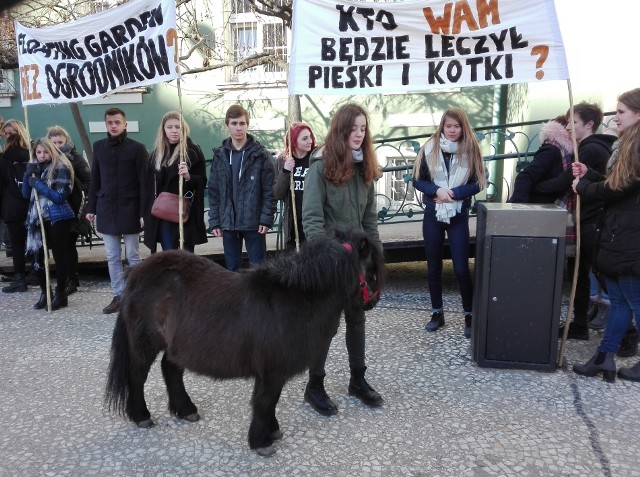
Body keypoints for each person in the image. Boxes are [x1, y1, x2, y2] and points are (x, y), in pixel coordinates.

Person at [302, 102, 383, 415]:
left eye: (363, 129)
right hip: (331, 262)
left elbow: (371, 220)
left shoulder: (365, 169)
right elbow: (311, 220)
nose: (359, 134)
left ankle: (357, 381)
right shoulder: (320, 168)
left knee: (357, 320)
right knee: (327, 325)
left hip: (358, 263)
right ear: (340, 130)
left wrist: (375, 262)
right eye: (353, 128)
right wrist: (331, 258)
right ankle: (315, 385)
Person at [529, 103, 616, 340]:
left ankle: (627, 332)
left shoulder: (589, 150)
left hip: (590, 220)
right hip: (587, 218)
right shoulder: (587, 147)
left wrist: (533, 185)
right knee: (579, 273)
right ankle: (579, 325)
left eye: (573, 122)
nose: (568, 127)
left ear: (589, 124)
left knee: (600, 276)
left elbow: (564, 182)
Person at [571, 87, 640, 382]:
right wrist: (589, 174)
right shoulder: (627, 145)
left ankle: (605, 357)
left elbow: (617, 189)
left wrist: (583, 187)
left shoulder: (637, 148)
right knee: (623, 303)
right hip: (620, 234)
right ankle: (604, 358)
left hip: (631, 237)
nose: (616, 117)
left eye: (622, 112)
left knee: (634, 302)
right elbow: (617, 183)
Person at [412, 108, 486, 338]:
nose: (452, 130)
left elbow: (478, 183)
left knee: (462, 268)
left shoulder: (471, 149)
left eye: (457, 126)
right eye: (448, 126)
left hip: (458, 214)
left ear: (463, 127)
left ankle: (469, 315)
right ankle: (437, 313)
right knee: (433, 267)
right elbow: (418, 180)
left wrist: (452, 193)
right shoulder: (430, 148)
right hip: (433, 214)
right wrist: (436, 190)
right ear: (442, 127)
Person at [86, 108, 148, 314]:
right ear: (106, 125)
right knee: (112, 256)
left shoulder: (137, 149)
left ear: (125, 124)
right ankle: (118, 295)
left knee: (133, 256)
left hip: (130, 208)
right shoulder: (99, 147)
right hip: (107, 209)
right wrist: (91, 207)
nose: (113, 126)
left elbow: (144, 183)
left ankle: (137, 297)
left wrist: (143, 212)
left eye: (117, 122)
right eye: (110, 123)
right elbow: (95, 179)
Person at [207, 105, 275, 271]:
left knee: (259, 271)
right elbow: (214, 191)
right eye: (234, 123)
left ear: (247, 125)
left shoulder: (260, 154)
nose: (238, 128)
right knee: (232, 271)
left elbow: (269, 190)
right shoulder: (220, 155)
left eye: (242, 123)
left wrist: (266, 218)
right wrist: (215, 221)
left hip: (254, 223)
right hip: (228, 223)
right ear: (227, 125)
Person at [22, 137, 75, 310]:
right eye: (38, 152)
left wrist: (37, 183)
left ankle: (61, 294)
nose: (42, 155)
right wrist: (27, 174)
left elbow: (60, 197)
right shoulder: (34, 167)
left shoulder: (61, 167)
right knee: (36, 256)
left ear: (52, 151)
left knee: (59, 256)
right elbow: (25, 194)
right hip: (37, 217)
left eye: (45, 152)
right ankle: (46, 292)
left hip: (57, 216)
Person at [143, 112, 207, 253]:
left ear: (183, 129)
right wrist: (144, 214)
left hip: (185, 212)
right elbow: (148, 186)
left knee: (186, 257)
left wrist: (188, 176)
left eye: (178, 127)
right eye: (169, 127)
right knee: (169, 254)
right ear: (163, 129)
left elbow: (202, 182)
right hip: (163, 213)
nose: (174, 130)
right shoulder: (156, 154)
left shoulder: (192, 151)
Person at [46, 125, 91, 296]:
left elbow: (88, 181)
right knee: (59, 246)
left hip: (72, 209)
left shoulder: (75, 158)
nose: (57, 145)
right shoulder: (47, 158)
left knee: (67, 245)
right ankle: (65, 279)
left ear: (66, 141)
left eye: (60, 142)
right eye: (54, 142)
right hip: (52, 209)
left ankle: (71, 279)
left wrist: (73, 192)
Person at [509, 115, 573, 204]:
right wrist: (519, 210)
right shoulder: (552, 151)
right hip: (535, 208)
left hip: (542, 208)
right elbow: (524, 177)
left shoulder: (565, 153)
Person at [273, 122, 316, 250]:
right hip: (293, 221)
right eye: (305, 138)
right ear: (294, 142)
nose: (310, 141)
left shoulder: (316, 159)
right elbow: (277, 194)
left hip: (313, 219)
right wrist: (285, 171)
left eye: (310, 137)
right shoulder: (283, 160)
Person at [0, 119, 31, 293]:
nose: (7, 136)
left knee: (17, 244)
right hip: (31, 205)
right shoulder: (31, 154)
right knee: (35, 241)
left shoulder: (4, 158)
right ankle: (36, 273)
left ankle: (20, 279)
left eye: (8, 133)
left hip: (12, 206)